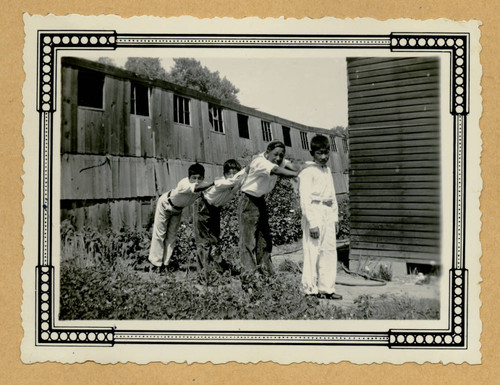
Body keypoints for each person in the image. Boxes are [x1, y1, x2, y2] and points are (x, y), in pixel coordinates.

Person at [238, 140, 300, 286]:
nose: (278, 158)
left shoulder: (278, 160)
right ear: (267, 153)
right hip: (248, 199)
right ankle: (249, 278)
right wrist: (296, 175)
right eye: (275, 155)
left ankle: (266, 272)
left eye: (281, 155)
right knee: (248, 241)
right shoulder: (259, 162)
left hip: (260, 199)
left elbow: (292, 165)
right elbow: (277, 170)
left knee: (264, 238)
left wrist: (305, 169)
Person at [298, 135, 342, 300]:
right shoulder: (307, 172)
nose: (323, 157)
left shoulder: (327, 171)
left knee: (329, 251)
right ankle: (309, 289)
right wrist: (313, 223)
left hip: (328, 212)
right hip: (314, 212)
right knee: (312, 251)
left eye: (326, 153)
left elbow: (332, 195)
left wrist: (335, 218)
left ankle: (327, 288)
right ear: (312, 153)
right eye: (319, 153)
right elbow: (305, 200)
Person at [148, 163, 214, 273]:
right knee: (160, 234)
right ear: (189, 177)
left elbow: (214, 188)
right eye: (194, 178)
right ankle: (155, 265)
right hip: (165, 204)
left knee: (171, 236)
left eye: (200, 178)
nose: (197, 181)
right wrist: (213, 183)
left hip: (177, 210)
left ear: (203, 177)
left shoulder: (203, 185)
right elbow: (197, 188)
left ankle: (165, 265)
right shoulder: (184, 183)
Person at [193, 159, 247, 284]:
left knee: (214, 240)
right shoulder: (222, 182)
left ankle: (215, 270)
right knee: (203, 242)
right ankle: (203, 275)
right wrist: (247, 169)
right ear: (225, 174)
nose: (233, 175)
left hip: (215, 209)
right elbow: (233, 180)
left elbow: (243, 180)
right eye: (230, 173)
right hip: (204, 206)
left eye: (235, 172)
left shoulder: (235, 183)